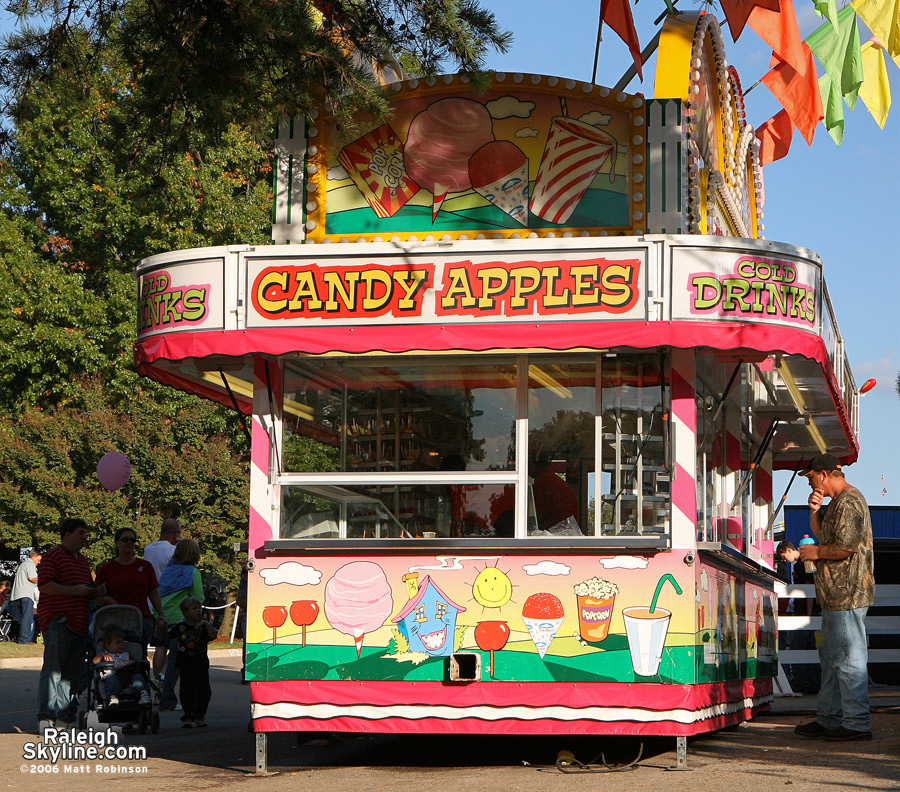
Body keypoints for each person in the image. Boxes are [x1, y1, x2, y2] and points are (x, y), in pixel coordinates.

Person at [793, 453, 875, 742]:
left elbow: (846, 548)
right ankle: (830, 718)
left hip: (847, 594)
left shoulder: (850, 501)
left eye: (812, 477)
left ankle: (855, 723)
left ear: (824, 474)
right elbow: (825, 537)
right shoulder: (838, 503)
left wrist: (815, 552)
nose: (811, 483)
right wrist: (814, 511)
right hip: (835, 596)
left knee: (849, 659)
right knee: (831, 658)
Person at [36, 518, 107, 731]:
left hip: (79, 622)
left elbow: (88, 588)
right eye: (81, 533)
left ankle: (66, 716)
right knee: (54, 671)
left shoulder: (82, 561)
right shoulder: (53, 556)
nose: (85, 537)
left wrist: (98, 593)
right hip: (60, 620)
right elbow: (46, 585)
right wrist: (77, 590)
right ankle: (45, 718)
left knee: (72, 673)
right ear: (67, 534)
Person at [95, 527, 167, 649]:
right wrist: (108, 600)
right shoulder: (107, 568)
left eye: (132, 540)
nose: (129, 542)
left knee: (138, 653)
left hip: (141, 619)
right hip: (114, 619)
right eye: (125, 539)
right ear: (117, 542)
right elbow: (96, 595)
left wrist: (160, 613)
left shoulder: (145, 567)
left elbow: (153, 592)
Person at [157, 538, 204, 711]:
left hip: (162, 617)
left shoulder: (169, 570)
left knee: (163, 652)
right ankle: (167, 698)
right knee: (177, 662)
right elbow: (198, 597)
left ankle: (157, 681)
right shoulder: (193, 572)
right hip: (181, 619)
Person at [775, 540, 821, 694]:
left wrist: (807, 615)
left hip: (804, 613)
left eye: (783, 556)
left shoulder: (803, 564)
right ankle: (814, 683)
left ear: (788, 550)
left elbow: (809, 590)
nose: (785, 561)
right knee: (809, 648)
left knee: (797, 647)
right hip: (805, 612)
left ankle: (801, 683)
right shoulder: (803, 564)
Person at [169, 596, 216, 727]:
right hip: (185, 663)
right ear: (185, 612)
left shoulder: (203, 626)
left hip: (200, 662)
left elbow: (213, 636)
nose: (198, 611)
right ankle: (188, 715)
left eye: (199, 608)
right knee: (187, 690)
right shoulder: (180, 626)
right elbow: (167, 636)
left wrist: (206, 624)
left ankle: (200, 715)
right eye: (194, 609)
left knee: (204, 691)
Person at [144, 518, 182, 681]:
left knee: (159, 645)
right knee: (173, 646)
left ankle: (156, 679)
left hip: (151, 602)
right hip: (170, 603)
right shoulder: (173, 551)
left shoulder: (148, 549)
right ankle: (164, 677)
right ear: (174, 534)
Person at [93, 627, 150, 707]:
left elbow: (134, 664)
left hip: (128, 677)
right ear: (108, 646)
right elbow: (95, 662)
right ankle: (113, 697)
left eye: (122, 642)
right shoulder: (106, 655)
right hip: (112, 675)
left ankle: (143, 694)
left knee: (137, 677)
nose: (121, 644)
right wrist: (101, 655)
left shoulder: (127, 655)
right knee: (112, 679)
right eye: (118, 642)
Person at [9, 549, 42, 644]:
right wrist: (44, 580)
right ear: (34, 557)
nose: (39, 563)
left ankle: (21, 637)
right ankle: (25, 640)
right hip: (26, 594)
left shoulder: (23, 564)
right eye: (38, 560)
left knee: (22, 618)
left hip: (17, 595)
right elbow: (32, 578)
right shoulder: (30, 564)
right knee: (27, 617)